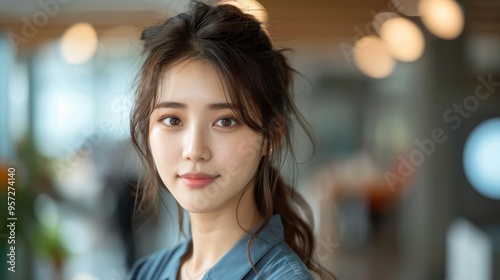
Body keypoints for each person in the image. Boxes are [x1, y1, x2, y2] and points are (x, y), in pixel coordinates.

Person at [127, 1, 336, 279]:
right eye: (172, 120)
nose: (194, 151)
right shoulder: (148, 272)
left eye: (225, 121)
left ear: (272, 136)